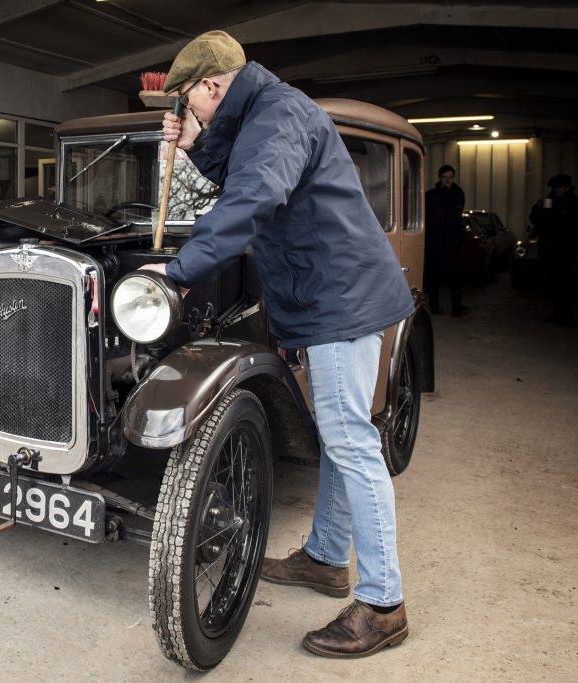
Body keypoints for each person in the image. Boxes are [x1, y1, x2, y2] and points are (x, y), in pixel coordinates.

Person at [143, 31, 414, 658]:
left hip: (341, 297)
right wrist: (195, 146)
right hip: (327, 294)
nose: (188, 111)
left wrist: (178, 270)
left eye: (188, 101)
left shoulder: (281, 114)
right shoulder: (263, 113)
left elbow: (255, 195)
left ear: (210, 85)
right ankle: (324, 558)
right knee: (341, 432)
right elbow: (249, 169)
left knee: (351, 438)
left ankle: (384, 604)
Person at [530, 174, 577, 327]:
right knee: (555, 283)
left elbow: (568, 226)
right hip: (551, 248)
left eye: (561, 187)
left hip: (564, 249)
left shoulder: (572, 203)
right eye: (556, 187)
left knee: (565, 283)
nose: (558, 190)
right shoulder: (550, 201)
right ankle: (559, 314)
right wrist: (537, 208)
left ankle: (566, 316)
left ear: (567, 187)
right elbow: (537, 219)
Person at [424, 165, 468, 316]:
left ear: (453, 177)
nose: (448, 180)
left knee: (455, 277)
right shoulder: (431, 196)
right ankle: (434, 307)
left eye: (450, 177)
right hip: (435, 244)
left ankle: (457, 307)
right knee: (433, 276)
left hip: (452, 244)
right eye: (445, 177)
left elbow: (457, 219)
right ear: (440, 178)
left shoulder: (458, 194)